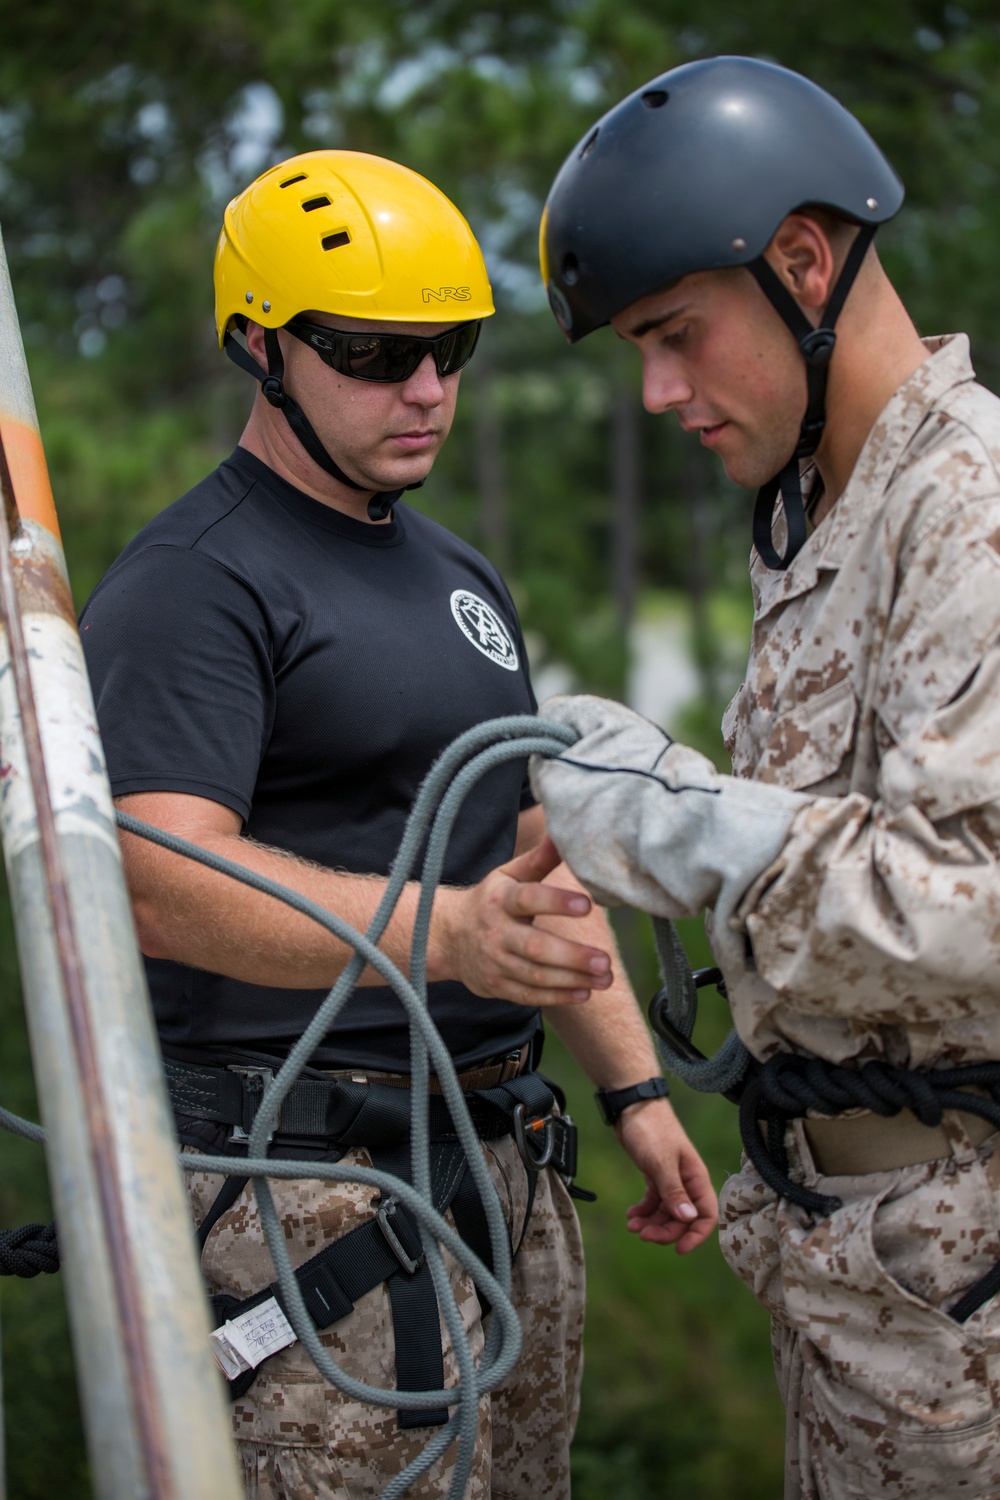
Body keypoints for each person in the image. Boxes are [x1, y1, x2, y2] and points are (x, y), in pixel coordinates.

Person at [80, 148, 716, 1500]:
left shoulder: (456, 571)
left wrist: (633, 1087)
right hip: (312, 1198)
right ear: (261, 348)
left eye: (452, 349)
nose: (426, 390)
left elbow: (524, 857)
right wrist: (451, 938)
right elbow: (156, 877)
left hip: (505, 1169)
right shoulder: (194, 585)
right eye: (376, 352)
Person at [531, 54, 1000, 1500]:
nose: (663, 392)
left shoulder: (971, 509)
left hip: (965, 1275)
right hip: (869, 1261)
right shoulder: (823, 510)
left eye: (676, 334)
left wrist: (678, 826)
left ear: (804, 260)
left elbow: (981, 916)